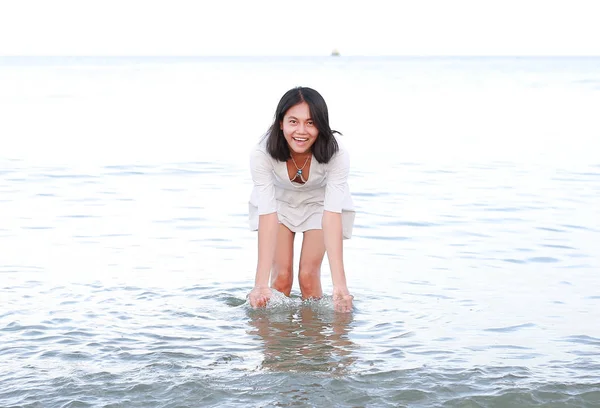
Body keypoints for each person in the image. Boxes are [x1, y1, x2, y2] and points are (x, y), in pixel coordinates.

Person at [247, 86, 355, 313]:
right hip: (278, 203)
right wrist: (259, 285)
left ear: (321, 125)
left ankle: (314, 343)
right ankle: (276, 344)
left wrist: (340, 286)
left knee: (308, 276)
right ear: (281, 123)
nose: (301, 131)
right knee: (282, 279)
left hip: (320, 204)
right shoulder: (262, 153)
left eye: (311, 122)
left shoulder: (337, 154)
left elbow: (332, 214)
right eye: (293, 122)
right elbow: (267, 213)